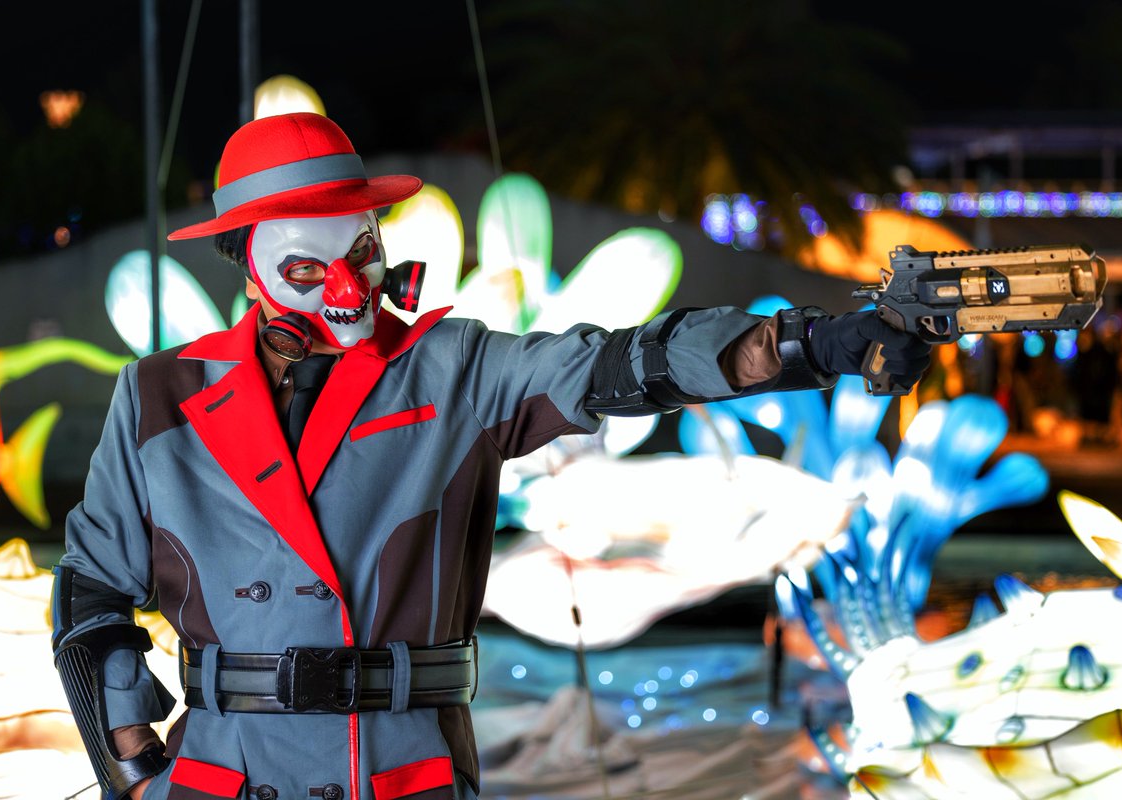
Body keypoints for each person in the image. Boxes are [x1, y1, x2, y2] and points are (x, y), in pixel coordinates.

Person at [50, 112, 930, 800]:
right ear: (247, 262)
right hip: (222, 777)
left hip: (403, 771)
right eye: (306, 269)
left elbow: (621, 364)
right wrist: (133, 769)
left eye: (361, 251)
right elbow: (90, 594)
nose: (348, 287)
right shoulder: (158, 396)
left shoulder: (451, 366)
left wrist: (811, 344)